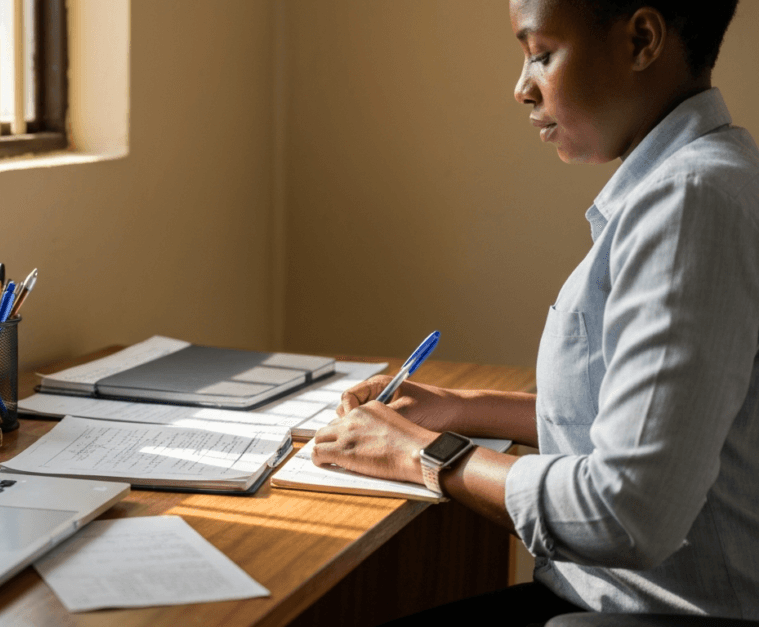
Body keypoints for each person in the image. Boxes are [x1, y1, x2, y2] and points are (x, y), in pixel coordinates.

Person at [311, 0, 758, 623]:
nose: (522, 88)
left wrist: (421, 452)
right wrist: (464, 408)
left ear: (641, 40)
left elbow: (627, 512)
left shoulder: (689, 204)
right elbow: (643, 419)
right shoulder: (697, 184)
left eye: (541, 54)